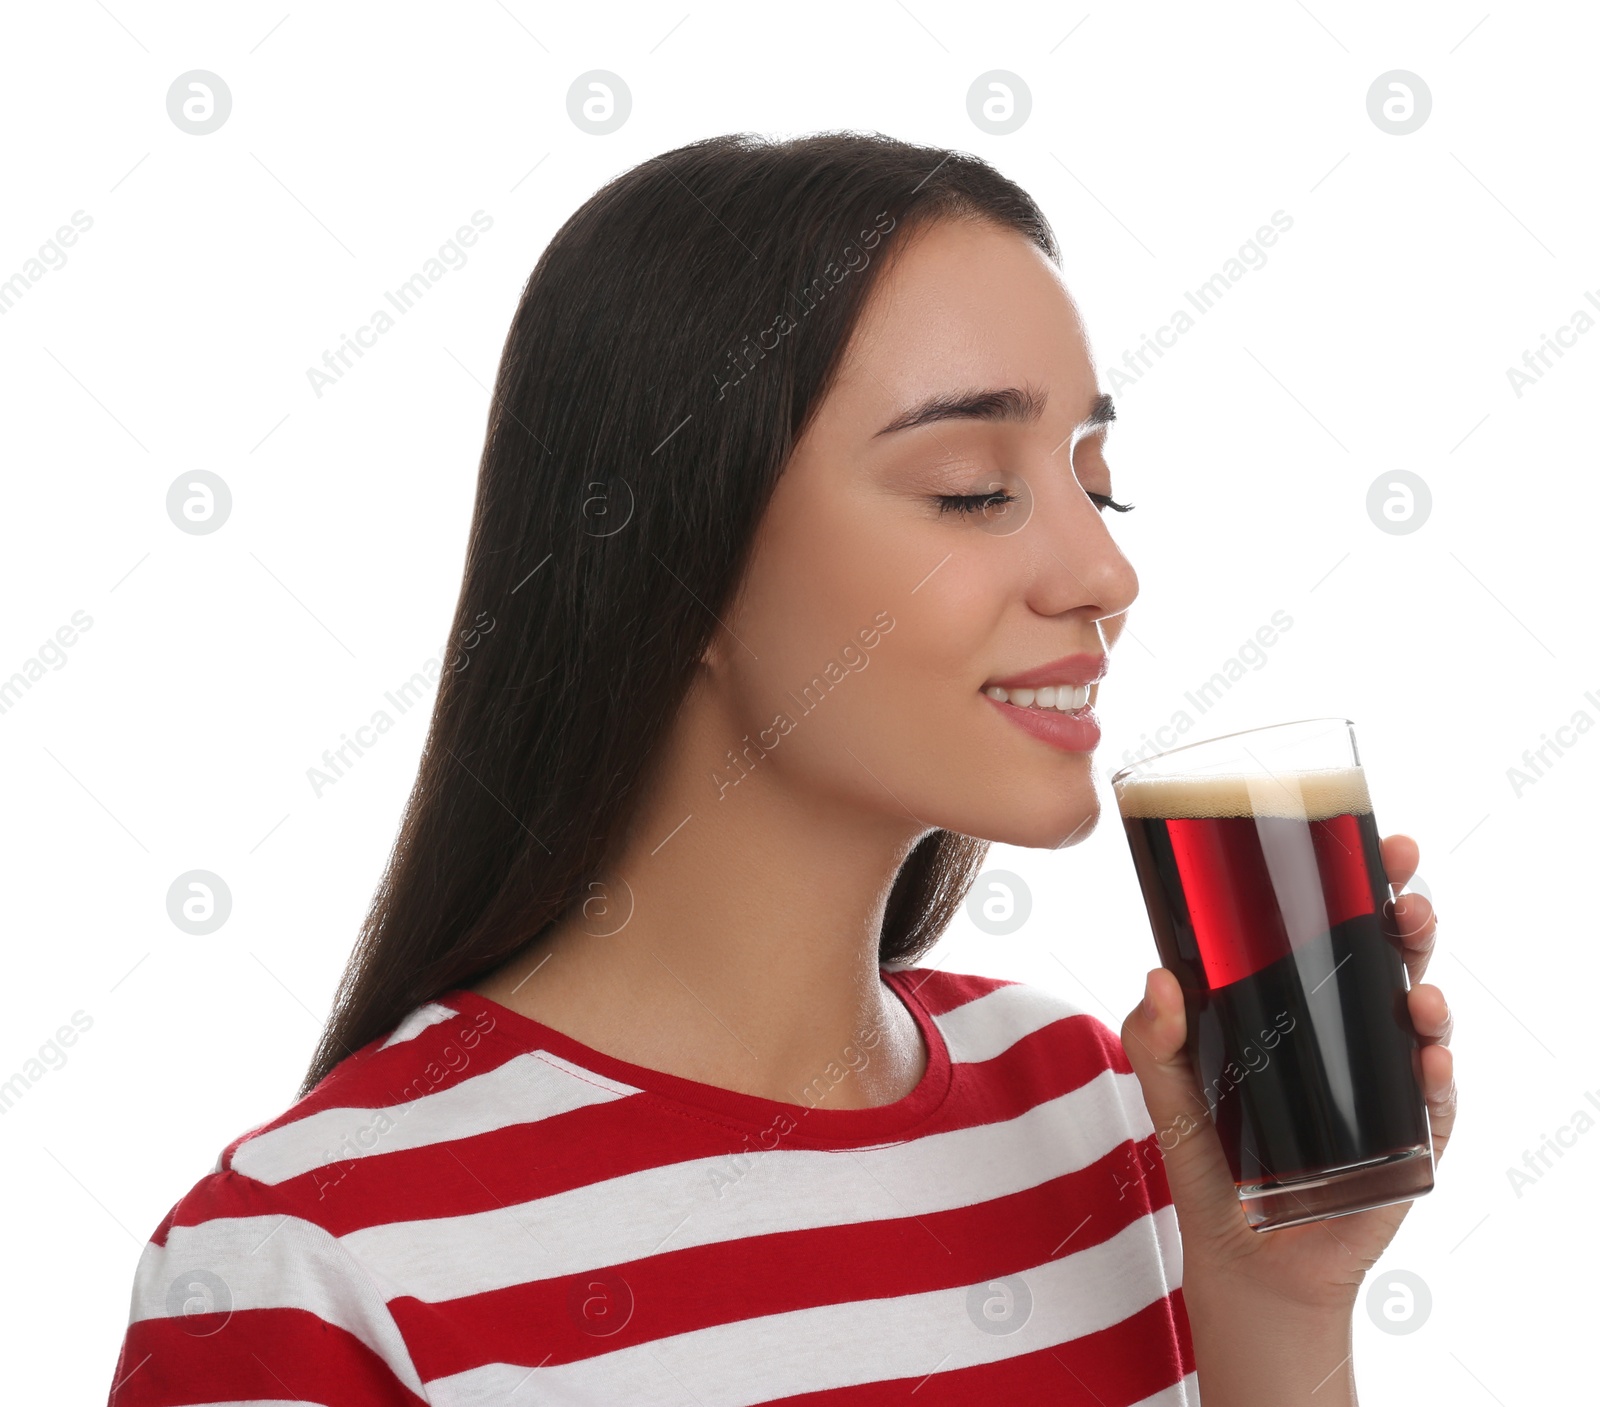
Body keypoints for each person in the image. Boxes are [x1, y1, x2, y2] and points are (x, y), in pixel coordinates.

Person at [106, 131, 1456, 1405]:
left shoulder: (1094, 1107)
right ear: (676, 560)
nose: (1107, 573)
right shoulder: (313, 1268)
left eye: (1095, 481)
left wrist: (1281, 1309)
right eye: (975, 487)